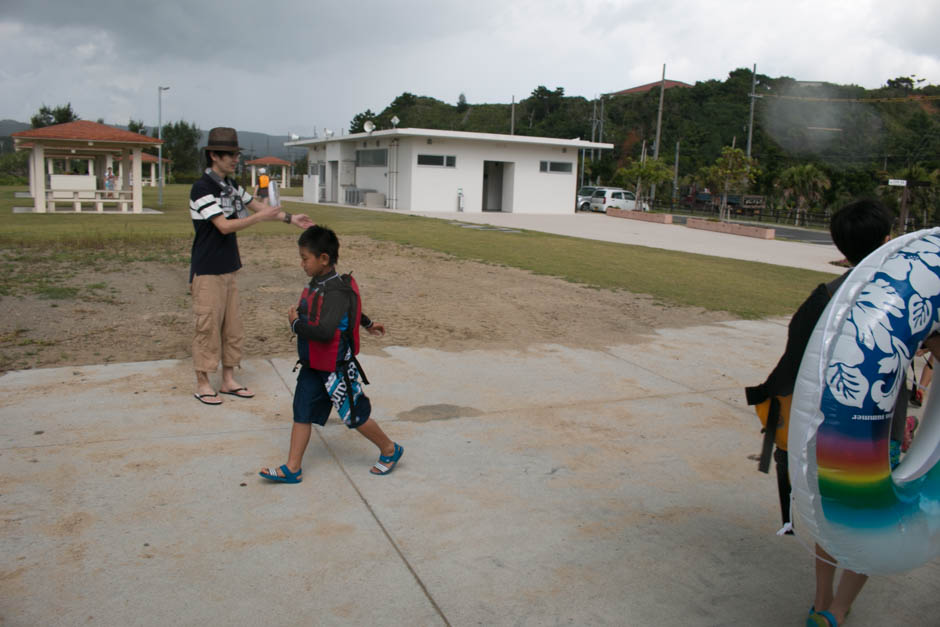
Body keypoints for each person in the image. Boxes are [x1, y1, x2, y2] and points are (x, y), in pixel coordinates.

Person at [747, 199, 895, 627]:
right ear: (887, 242)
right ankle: (839, 609)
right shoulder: (896, 301)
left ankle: (820, 600)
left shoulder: (823, 298)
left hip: (822, 433)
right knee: (868, 522)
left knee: (831, 517)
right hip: (876, 435)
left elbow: (790, 365)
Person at [259, 225, 402, 481]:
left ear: (323, 259)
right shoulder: (320, 283)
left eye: (305, 258)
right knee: (301, 410)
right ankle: (293, 468)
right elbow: (343, 312)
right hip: (313, 365)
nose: (302, 264)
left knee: (355, 415)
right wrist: (368, 324)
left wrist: (294, 324)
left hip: (335, 369)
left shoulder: (335, 291)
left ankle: (390, 449)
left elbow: (325, 331)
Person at [189, 127, 314, 406]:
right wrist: (262, 217)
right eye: (230, 155)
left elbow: (256, 205)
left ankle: (229, 380)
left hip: (229, 268)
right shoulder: (201, 188)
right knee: (207, 328)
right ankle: (203, 383)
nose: (235, 159)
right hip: (207, 270)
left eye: (236, 154)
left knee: (232, 327)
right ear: (213, 155)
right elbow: (223, 226)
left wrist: (290, 218)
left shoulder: (230, 185)